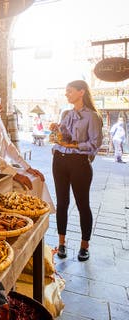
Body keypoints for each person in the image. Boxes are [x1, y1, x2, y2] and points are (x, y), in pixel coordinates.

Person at [49, 80, 103, 262]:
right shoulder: (66, 114)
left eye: (69, 91)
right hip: (59, 161)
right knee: (61, 203)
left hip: (79, 163)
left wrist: (73, 145)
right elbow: (63, 137)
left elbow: (95, 144)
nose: (66, 94)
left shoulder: (92, 117)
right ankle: (61, 243)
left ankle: (84, 245)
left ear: (81, 92)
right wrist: (56, 130)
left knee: (82, 204)